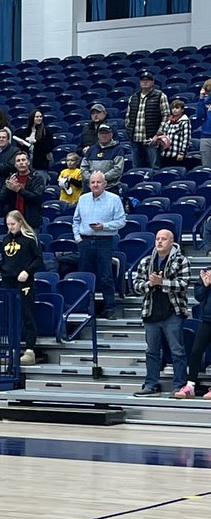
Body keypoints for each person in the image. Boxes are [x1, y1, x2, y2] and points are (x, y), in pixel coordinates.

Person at [132, 230, 189, 398]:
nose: (159, 242)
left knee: (177, 351)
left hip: (173, 312)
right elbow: (136, 286)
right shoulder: (146, 261)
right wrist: (150, 284)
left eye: (164, 239)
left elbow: (184, 284)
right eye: (157, 238)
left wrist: (162, 282)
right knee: (151, 352)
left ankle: (179, 386)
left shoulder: (181, 260)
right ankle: (151, 384)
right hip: (151, 312)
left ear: (172, 242)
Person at [72, 171, 127, 320]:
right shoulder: (83, 198)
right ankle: (85, 308)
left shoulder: (114, 199)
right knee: (84, 275)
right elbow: (76, 220)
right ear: (89, 184)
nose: (95, 185)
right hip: (85, 241)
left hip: (104, 241)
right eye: (93, 182)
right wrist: (77, 238)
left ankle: (110, 308)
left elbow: (121, 221)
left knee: (105, 276)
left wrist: (104, 226)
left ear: (105, 184)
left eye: (98, 182)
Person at [0, 211, 42, 366]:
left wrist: (27, 271)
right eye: (8, 224)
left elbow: (38, 259)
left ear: (20, 222)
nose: (10, 227)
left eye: (13, 224)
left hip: (24, 283)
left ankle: (29, 350)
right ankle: (11, 350)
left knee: (27, 315)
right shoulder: (5, 239)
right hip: (7, 282)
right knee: (10, 317)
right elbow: (6, 259)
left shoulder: (30, 239)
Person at [175, 267, 211, 399]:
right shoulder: (207, 272)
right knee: (196, 351)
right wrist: (206, 285)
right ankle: (190, 386)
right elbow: (199, 296)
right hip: (207, 319)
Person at [124, 72, 169, 169]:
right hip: (135, 140)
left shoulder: (160, 96)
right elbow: (128, 117)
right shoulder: (133, 97)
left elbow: (166, 116)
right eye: (143, 80)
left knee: (155, 168)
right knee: (137, 168)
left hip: (152, 140)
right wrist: (129, 131)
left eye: (148, 80)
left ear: (152, 82)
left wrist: (158, 135)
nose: (145, 82)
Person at [0, 151, 46, 229]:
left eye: (23, 160)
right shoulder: (11, 179)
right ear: (15, 165)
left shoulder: (37, 178)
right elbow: (2, 199)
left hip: (31, 222)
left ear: (28, 162)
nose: (21, 163)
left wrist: (18, 190)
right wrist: (9, 188)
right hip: (14, 222)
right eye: (18, 161)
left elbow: (36, 198)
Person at [80, 123, 126, 195]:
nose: (104, 135)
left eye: (106, 133)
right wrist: (92, 179)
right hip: (91, 189)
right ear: (98, 135)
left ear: (111, 134)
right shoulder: (91, 149)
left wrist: (101, 178)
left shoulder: (118, 149)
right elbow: (83, 168)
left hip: (111, 188)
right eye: (101, 133)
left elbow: (118, 169)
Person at [153, 98, 191, 167]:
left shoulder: (185, 122)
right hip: (165, 153)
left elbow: (186, 139)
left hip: (177, 154)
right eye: (173, 108)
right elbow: (163, 133)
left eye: (177, 108)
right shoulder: (169, 121)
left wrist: (182, 153)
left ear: (182, 110)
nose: (174, 110)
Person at [195, 79, 211, 166]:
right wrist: (201, 98)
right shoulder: (205, 101)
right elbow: (199, 115)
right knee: (206, 166)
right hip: (206, 136)